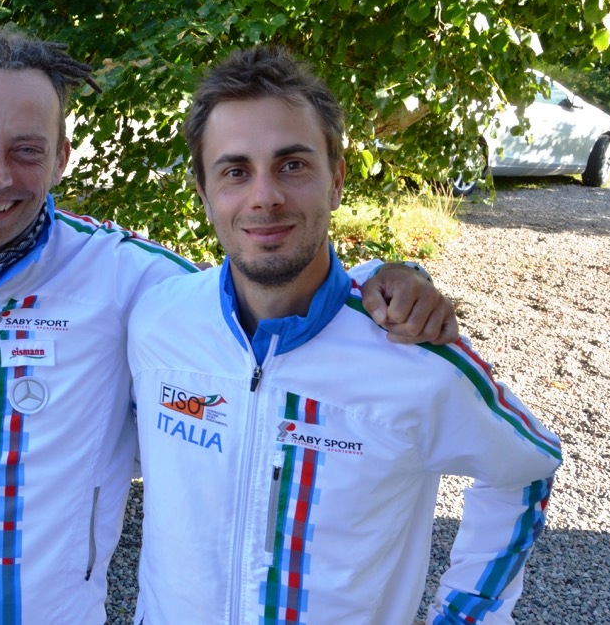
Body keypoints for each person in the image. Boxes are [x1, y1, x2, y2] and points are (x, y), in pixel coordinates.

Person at [0, 29, 458, 624]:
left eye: (26, 149)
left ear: (61, 159)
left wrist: (387, 279)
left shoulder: (123, 278)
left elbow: (257, 286)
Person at [127, 45, 561, 624]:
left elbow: (526, 466)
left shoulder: (414, 355)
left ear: (336, 181)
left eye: (292, 165)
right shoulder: (158, 321)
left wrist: (466, 614)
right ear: (204, 193)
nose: (265, 196)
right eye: (235, 171)